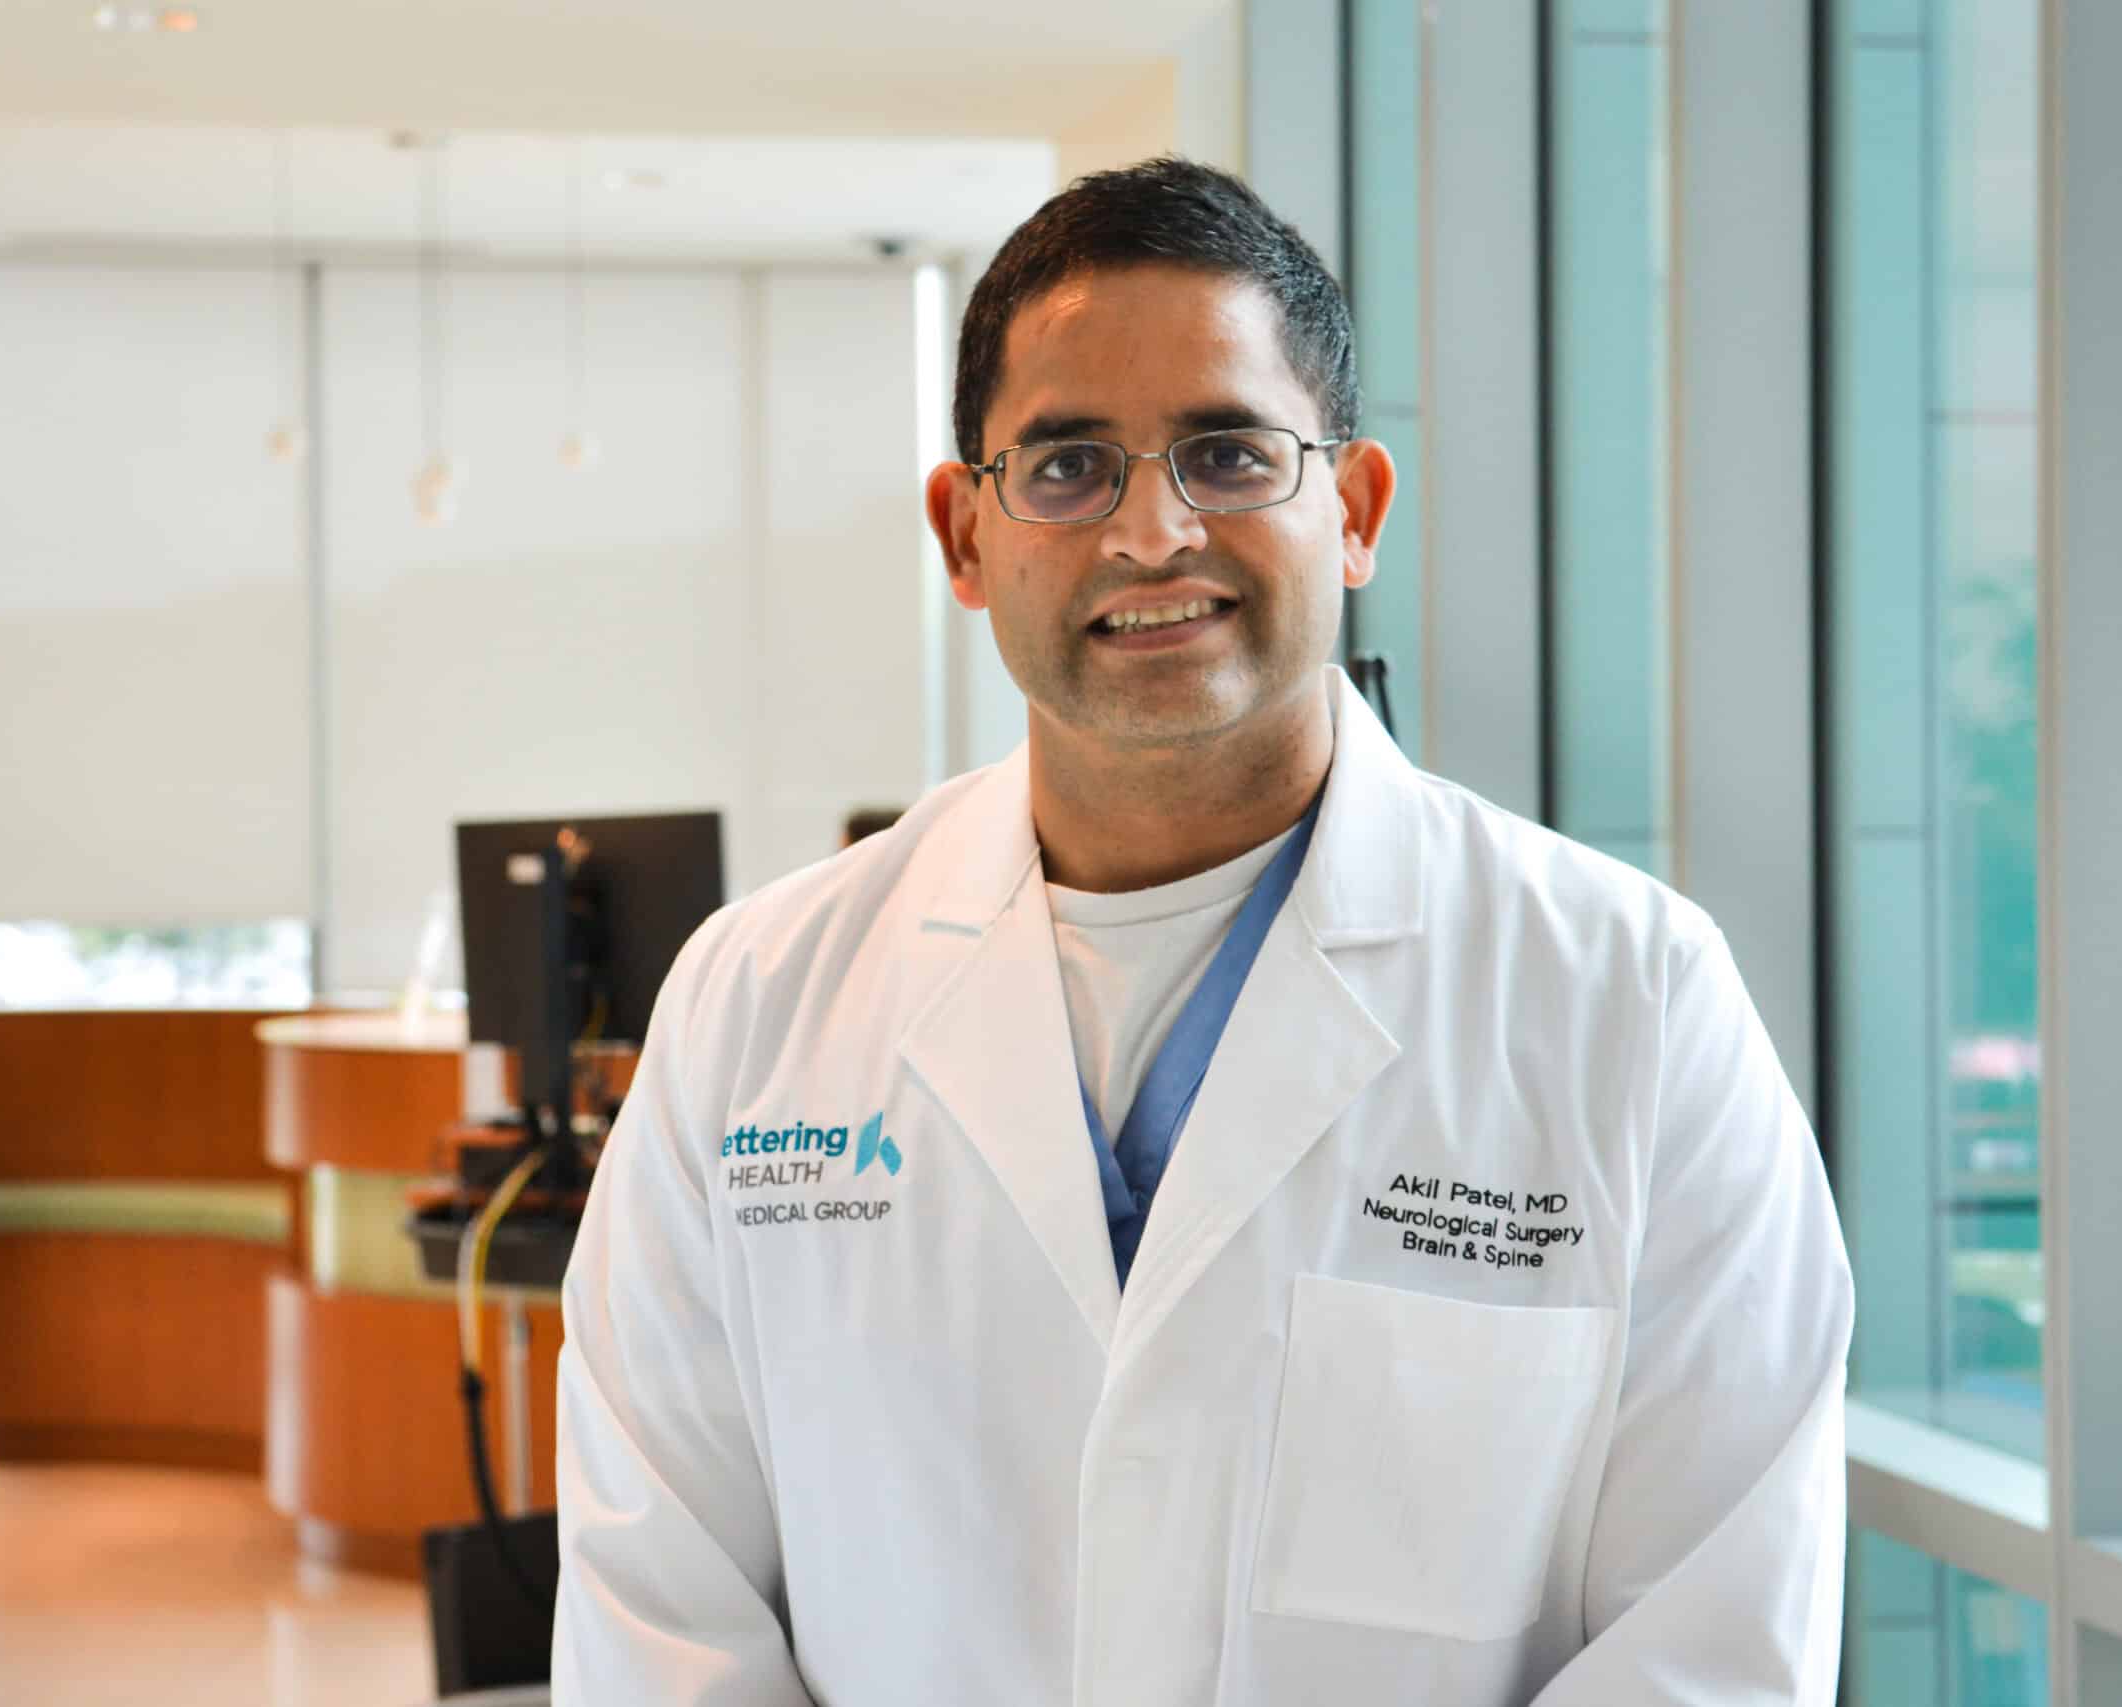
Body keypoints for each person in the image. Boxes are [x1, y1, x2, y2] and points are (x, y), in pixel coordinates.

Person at [553, 157, 1853, 1706]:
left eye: (1229, 455)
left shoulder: (1630, 1007)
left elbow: (1710, 1643)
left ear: (1353, 510)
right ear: (964, 538)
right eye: (1067, 467)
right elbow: (662, 1619)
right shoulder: (757, 1004)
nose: (1152, 531)